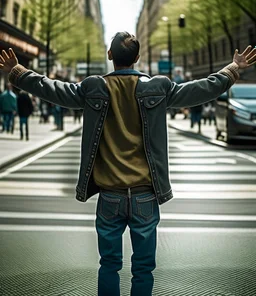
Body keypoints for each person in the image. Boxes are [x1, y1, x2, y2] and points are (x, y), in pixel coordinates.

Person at [0, 36, 256, 296]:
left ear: (110, 54)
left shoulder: (93, 87)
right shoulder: (159, 87)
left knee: (109, 265)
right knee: (143, 268)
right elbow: (201, 89)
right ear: (137, 57)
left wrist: (18, 72)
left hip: (110, 195)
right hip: (145, 194)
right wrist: (232, 68)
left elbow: (53, 89)